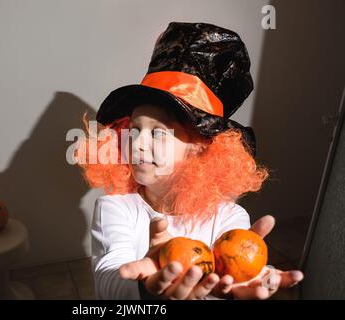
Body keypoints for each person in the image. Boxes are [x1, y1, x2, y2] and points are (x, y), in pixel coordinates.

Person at [75, 22, 304, 299]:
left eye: (158, 132)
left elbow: (236, 276)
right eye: (134, 130)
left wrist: (248, 279)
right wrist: (146, 290)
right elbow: (109, 279)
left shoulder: (229, 217)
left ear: (198, 147)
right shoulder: (115, 208)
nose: (138, 143)